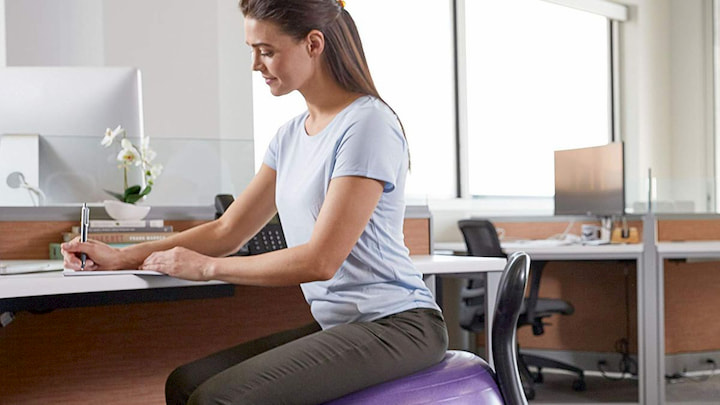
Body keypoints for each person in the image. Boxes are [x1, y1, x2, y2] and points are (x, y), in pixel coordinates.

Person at [61, 0, 448, 403]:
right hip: (344, 325)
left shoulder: (368, 124)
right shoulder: (290, 136)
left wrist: (208, 268)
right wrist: (124, 255)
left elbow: (321, 259)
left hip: (399, 326)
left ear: (313, 44)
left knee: (217, 399)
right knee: (185, 384)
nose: (255, 65)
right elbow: (227, 230)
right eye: (252, 51)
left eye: (267, 51)